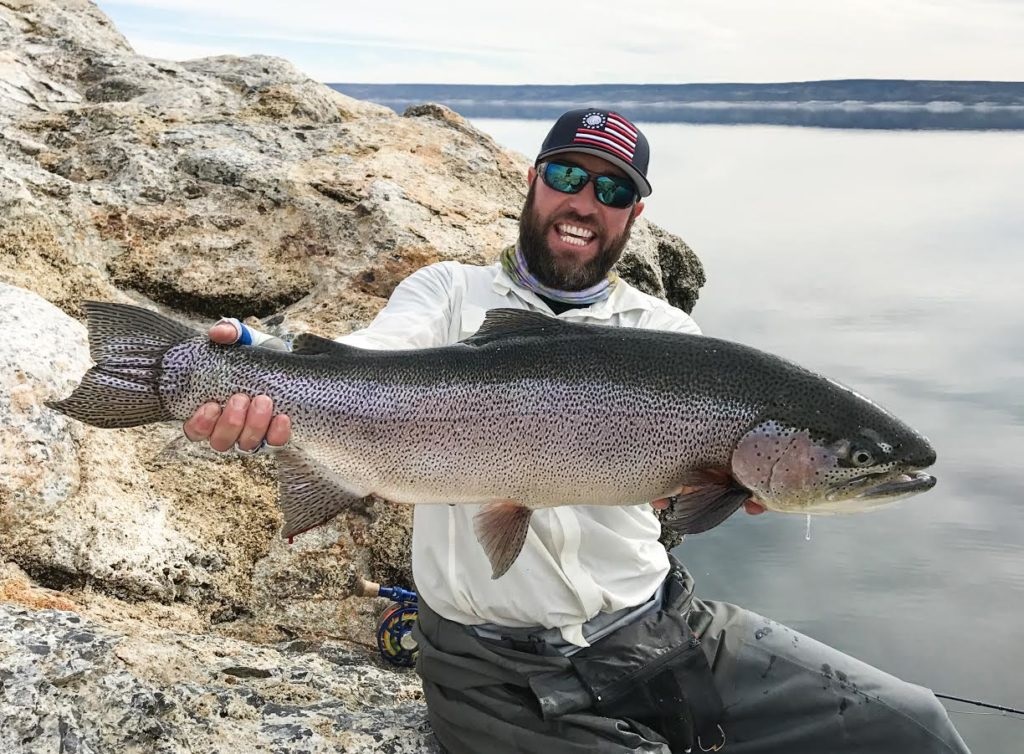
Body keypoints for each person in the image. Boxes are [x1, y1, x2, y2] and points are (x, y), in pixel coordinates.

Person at [183, 108, 970, 753]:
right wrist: (260, 364)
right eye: (567, 176)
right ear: (532, 182)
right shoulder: (446, 295)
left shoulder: (663, 334)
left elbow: (685, 507)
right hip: (496, 668)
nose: (584, 202)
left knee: (919, 730)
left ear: (634, 214)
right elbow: (369, 360)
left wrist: (735, 491)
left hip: (660, 624)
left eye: (612, 190)